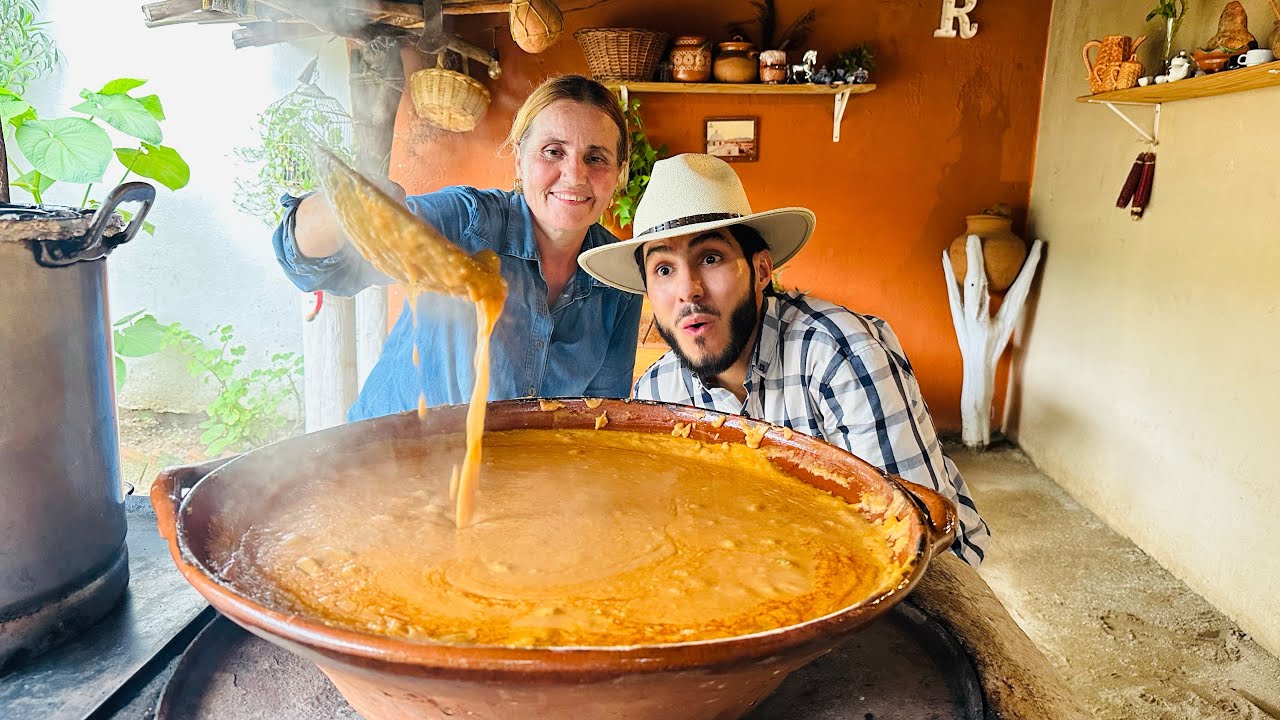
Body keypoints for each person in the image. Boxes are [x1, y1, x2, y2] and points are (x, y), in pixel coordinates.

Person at [578, 154, 990, 565]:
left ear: (761, 271)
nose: (688, 290)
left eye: (710, 258)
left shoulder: (838, 354)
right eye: (664, 269)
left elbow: (917, 547)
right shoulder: (656, 392)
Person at [273, 75, 643, 421]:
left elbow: (600, 419)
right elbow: (314, 265)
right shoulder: (464, 221)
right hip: (386, 464)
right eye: (552, 152)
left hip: (512, 479)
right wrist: (349, 207)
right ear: (519, 158)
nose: (574, 175)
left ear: (618, 172)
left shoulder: (616, 279)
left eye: (595, 158)